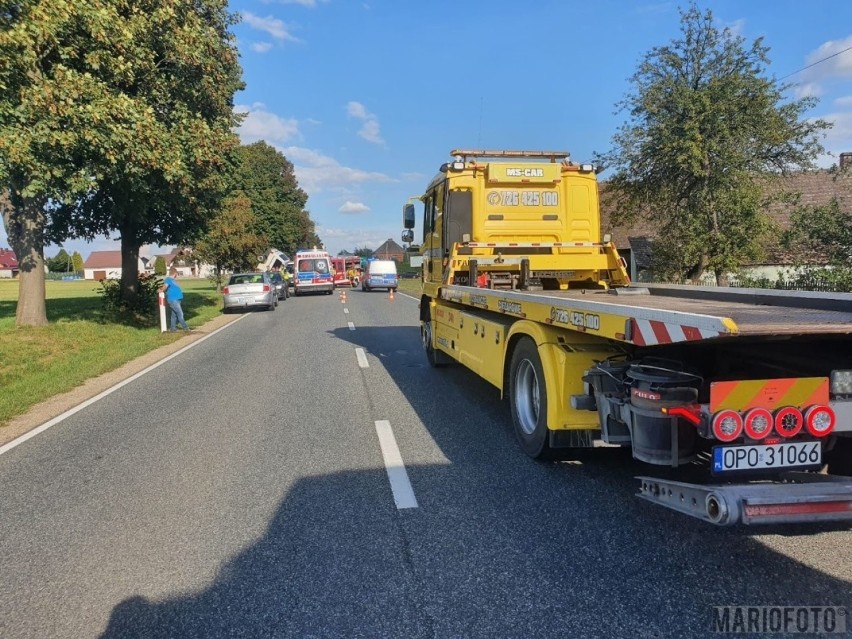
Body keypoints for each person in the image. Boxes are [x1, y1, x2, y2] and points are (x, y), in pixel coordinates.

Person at [160, 267, 189, 332]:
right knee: (180, 314)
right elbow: (165, 287)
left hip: (177, 299)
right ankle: (185, 328)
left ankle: (173, 329)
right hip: (173, 300)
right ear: (175, 273)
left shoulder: (173, 280)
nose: (177, 275)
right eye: (177, 274)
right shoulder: (168, 279)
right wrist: (161, 290)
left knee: (174, 315)